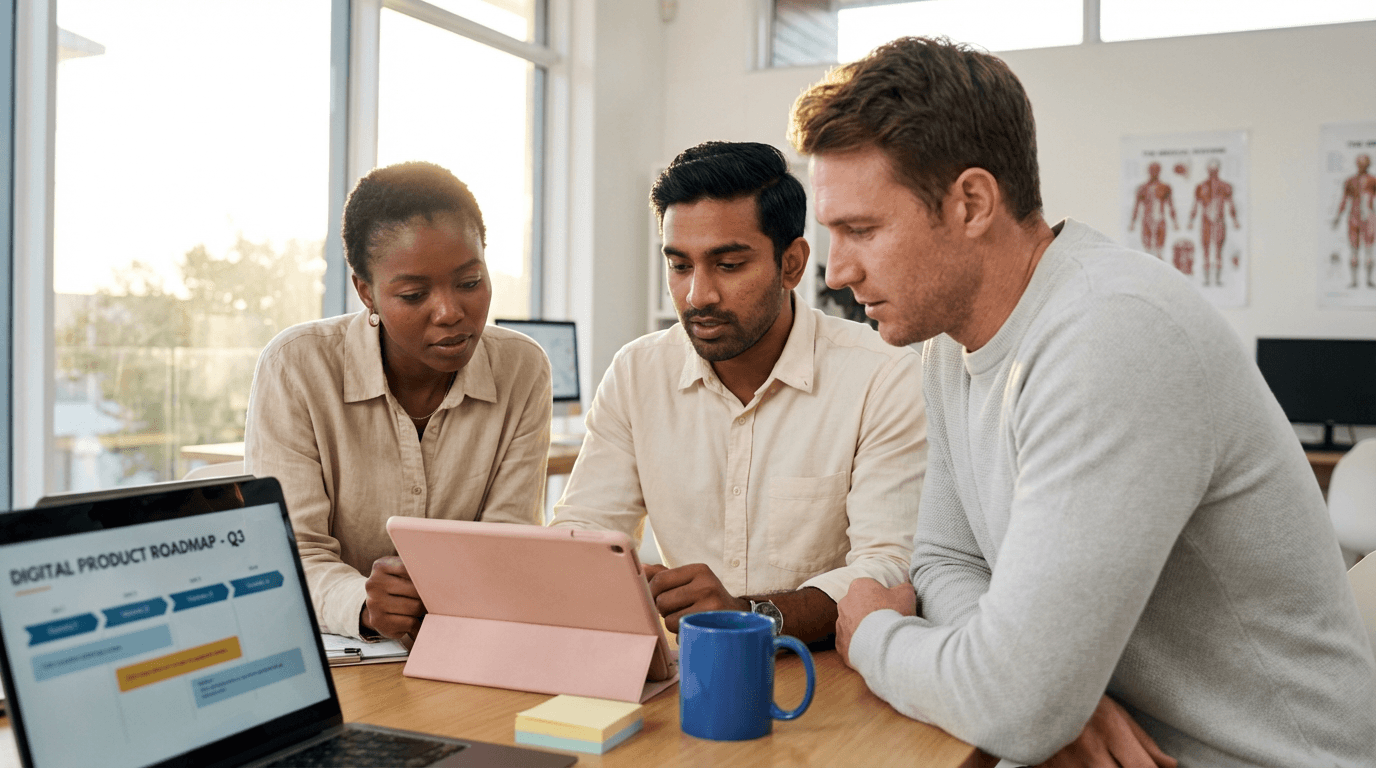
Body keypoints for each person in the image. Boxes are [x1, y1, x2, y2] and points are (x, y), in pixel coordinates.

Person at [789, 36, 1376, 767]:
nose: (838, 269)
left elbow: (1015, 702)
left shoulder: (1112, 334)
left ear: (972, 202)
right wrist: (1033, 686)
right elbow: (942, 557)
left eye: (862, 230)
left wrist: (873, 634)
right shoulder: (947, 345)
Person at [551, 141, 925, 644]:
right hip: (687, 670)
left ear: (791, 264)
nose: (697, 296)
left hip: (825, 674)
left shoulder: (884, 376)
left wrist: (752, 617)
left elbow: (890, 567)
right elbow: (581, 530)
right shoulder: (637, 372)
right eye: (680, 266)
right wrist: (611, 576)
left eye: (727, 266)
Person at [244, 162, 552, 641]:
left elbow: (507, 545)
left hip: (467, 640)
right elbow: (288, 554)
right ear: (366, 292)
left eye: (470, 283)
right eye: (413, 294)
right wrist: (362, 603)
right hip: (339, 650)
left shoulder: (522, 368)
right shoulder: (297, 366)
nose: (451, 312)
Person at [1187, 158, 1240, 287]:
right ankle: (1206, 279)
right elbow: (1196, 204)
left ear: (1218, 170)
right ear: (1208, 170)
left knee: (1218, 251)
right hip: (1205, 222)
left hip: (1219, 221)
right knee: (1205, 250)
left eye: (1215, 169)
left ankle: (1217, 279)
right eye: (1211, 169)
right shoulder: (1200, 187)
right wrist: (1191, 220)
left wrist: (1234, 220)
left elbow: (1230, 204)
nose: (1213, 172)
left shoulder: (1225, 186)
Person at [1332, 153, 1376, 288]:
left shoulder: (1372, 180)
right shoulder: (1351, 181)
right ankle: (1355, 281)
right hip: (1356, 217)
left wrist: (1338, 217)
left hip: (1367, 216)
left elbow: (1345, 200)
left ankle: (1365, 281)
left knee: (1367, 249)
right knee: (1355, 250)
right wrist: (1338, 217)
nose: (1362, 166)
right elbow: (1344, 199)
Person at [1128, 161, 1177, 260]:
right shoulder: (1142, 188)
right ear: (1148, 171)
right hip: (1147, 219)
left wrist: (1175, 222)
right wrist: (1132, 222)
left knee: (1159, 250)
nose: (1154, 172)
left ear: (1159, 171)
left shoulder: (1165, 188)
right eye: (1152, 170)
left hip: (1160, 219)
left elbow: (1171, 205)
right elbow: (1136, 206)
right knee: (1148, 250)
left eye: (1156, 170)